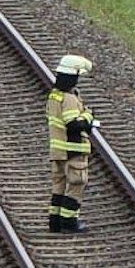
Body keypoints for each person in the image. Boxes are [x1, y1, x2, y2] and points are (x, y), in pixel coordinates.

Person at [47, 53, 96, 233]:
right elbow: (73, 124)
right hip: (73, 149)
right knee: (76, 184)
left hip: (58, 150)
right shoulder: (69, 98)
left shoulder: (54, 96)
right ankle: (69, 223)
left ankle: (55, 222)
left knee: (59, 184)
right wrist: (88, 116)